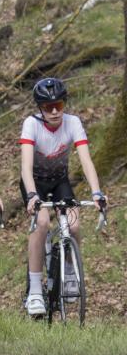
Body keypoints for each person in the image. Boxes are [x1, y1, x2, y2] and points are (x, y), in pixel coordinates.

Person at [20, 77, 107, 317]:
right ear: (40, 108)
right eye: (48, 107)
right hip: (35, 183)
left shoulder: (73, 123)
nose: (55, 111)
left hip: (60, 182)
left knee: (75, 223)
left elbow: (86, 161)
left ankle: (70, 271)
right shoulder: (31, 124)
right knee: (43, 223)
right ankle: (35, 290)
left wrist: (96, 192)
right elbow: (26, 166)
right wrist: (31, 195)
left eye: (59, 104)